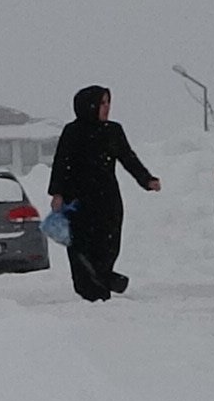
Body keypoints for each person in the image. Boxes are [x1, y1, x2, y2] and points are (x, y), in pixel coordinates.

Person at [47, 83, 160, 301]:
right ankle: (96, 285)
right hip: (77, 201)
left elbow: (128, 158)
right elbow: (61, 162)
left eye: (108, 103)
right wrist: (57, 194)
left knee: (108, 246)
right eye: (102, 103)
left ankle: (103, 277)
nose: (107, 108)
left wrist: (146, 179)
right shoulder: (73, 132)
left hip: (107, 199)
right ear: (89, 106)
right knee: (81, 248)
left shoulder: (113, 131)